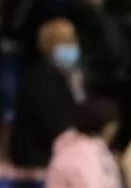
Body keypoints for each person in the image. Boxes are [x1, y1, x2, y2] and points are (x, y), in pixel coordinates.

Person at [10, 17, 84, 169]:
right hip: (39, 155)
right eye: (66, 41)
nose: (73, 45)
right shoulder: (40, 77)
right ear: (50, 45)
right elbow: (53, 124)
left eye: (73, 40)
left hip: (61, 150)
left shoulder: (69, 76)